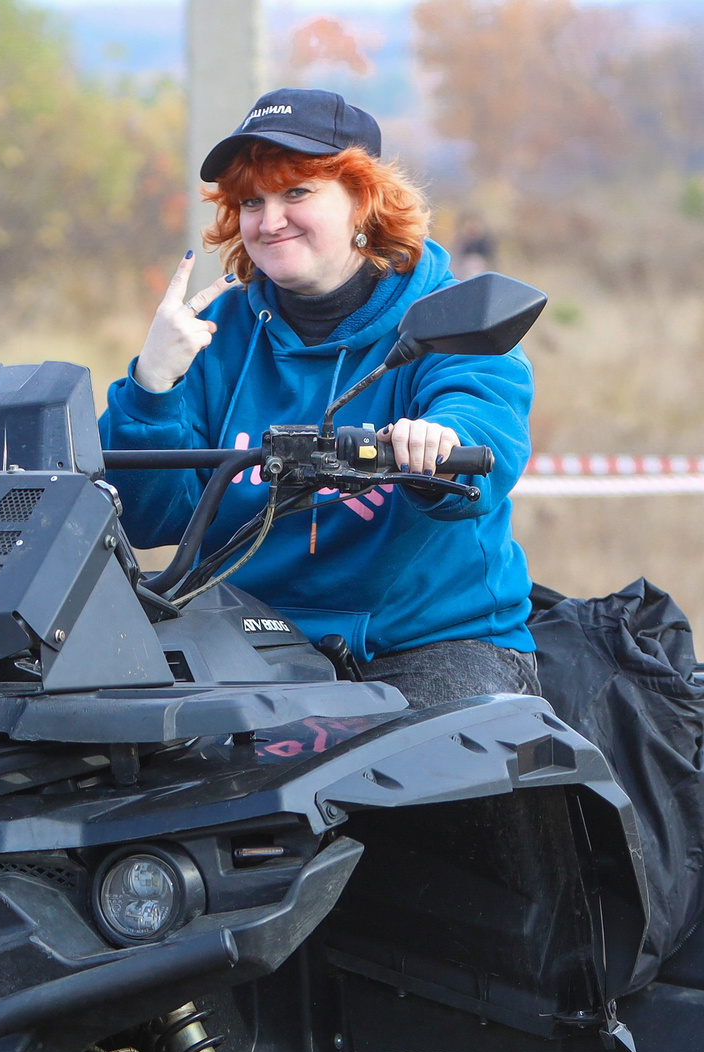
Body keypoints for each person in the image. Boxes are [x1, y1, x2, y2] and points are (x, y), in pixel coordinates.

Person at [99, 88, 536, 708]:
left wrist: (440, 440)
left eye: (296, 192)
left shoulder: (445, 316)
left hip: (430, 644)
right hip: (247, 645)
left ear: (363, 200)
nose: (269, 220)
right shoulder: (212, 336)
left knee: (419, 780)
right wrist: (152, 385)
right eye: (252, 201)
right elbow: (148, 519)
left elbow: (481, 420)